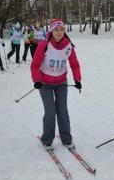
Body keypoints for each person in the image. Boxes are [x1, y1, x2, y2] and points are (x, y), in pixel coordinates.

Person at [31, 19, 82, 149]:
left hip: (61, 82)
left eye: (61, 29)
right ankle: (47, 139)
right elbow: (35, 64)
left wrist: (77, 79)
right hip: (44, 83)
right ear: (51, 31)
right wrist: (36, 80)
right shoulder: (44, 44)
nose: (59, 32)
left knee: (62, 110)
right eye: (56, 30)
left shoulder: (69, 45)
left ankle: (66, 138)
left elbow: (74, 64)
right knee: (50, 111)